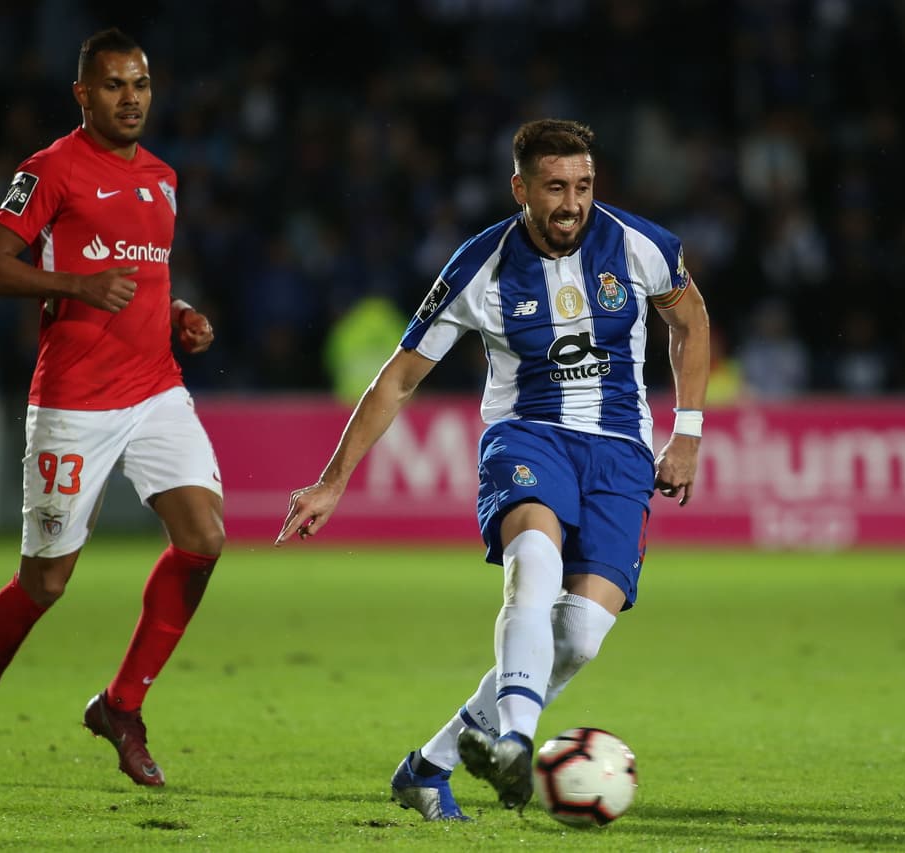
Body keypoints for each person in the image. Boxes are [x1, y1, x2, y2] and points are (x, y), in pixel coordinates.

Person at [276, 119, 709, 819]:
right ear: (521, 188)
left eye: (584, 185)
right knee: (532, 565)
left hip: (620, 452)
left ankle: (428, 765)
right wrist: (334, 479)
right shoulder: (480, 267)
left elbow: (690, 320)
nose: (572, 203)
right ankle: (513, 737)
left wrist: (687, 431)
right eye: (555, 187)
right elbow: (397, 379)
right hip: (527, 437)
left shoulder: (640, 245)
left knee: (580, 636)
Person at [0, 28, 224, 788]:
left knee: (203, 539)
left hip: (156, 388)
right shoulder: (51, 169)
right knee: (47, 582)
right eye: (114, 86)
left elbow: (142, 273)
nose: (131, 99)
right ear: (83, 94)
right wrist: (75, 287)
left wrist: (178, 314)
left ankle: (121, 704)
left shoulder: (162, 176)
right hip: (74, 402)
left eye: (141, 84)